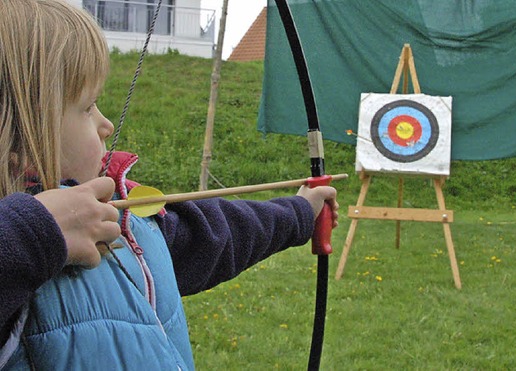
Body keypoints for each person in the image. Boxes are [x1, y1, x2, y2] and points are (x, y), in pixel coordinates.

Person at [0, 0, 339, 369]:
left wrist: (301, 210)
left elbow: (217, 235)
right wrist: (36, 232)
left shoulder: (127, 219)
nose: (106, 125)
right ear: (19, 142)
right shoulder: (18, 248)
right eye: (88, 106)